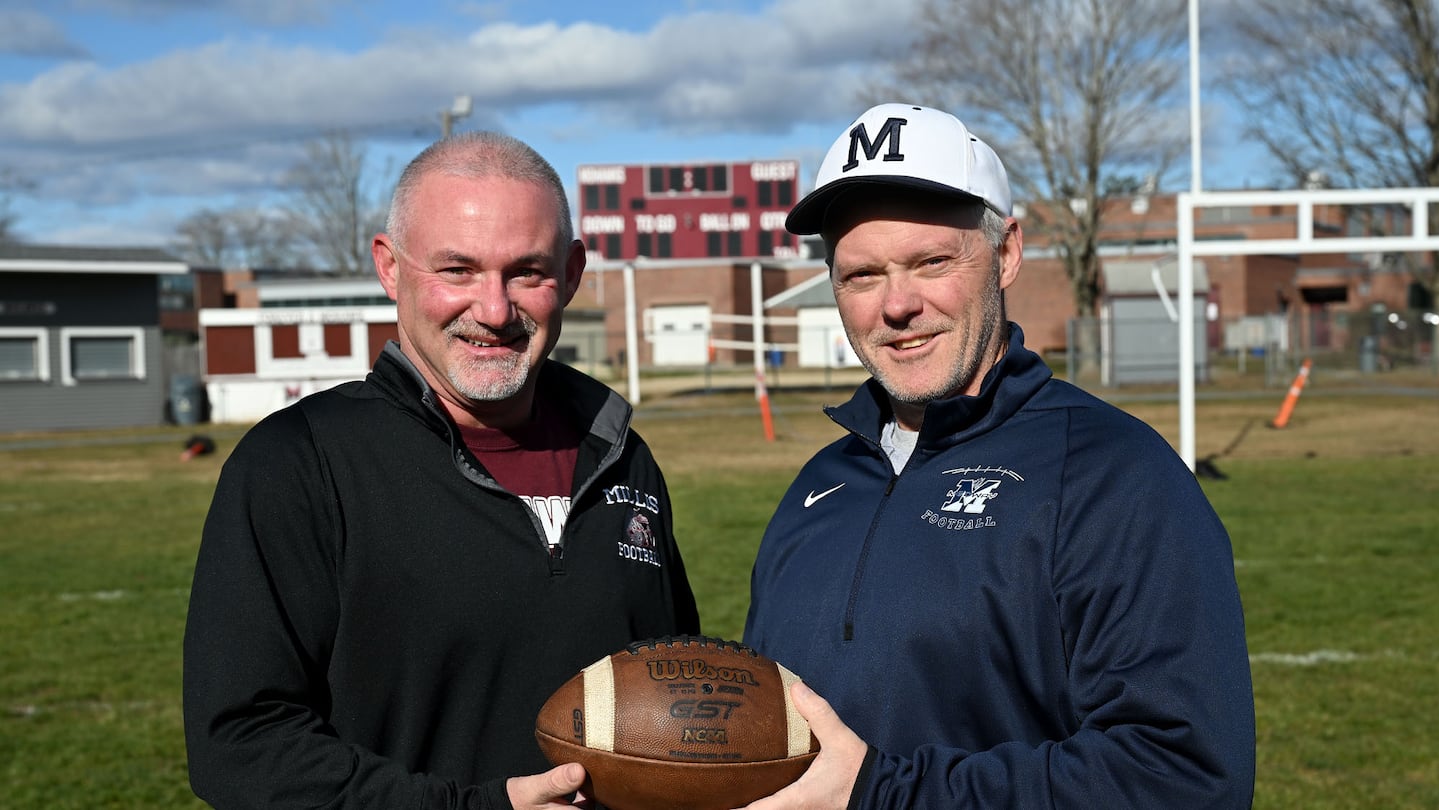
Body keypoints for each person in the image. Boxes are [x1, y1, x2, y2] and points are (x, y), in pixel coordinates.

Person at [742, 103, 1255, 808]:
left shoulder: (1113, 474)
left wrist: (882, 795)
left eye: (931, 262)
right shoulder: (819, 487)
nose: (897, 305)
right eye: (861, 275)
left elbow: (1184, 776)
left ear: (1007, 252)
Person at [184, 131, 700, 809]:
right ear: (391, 267)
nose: (493, 310)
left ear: (572, 273)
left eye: (527, 272)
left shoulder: (619, 454)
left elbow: (675, 690)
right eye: (457, 270)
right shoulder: (297, 464)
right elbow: (239, 745)